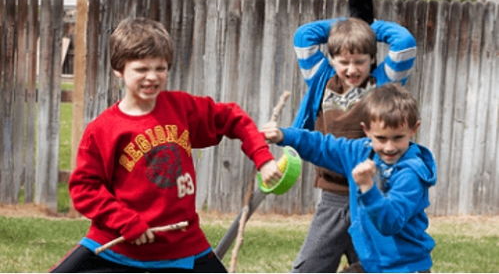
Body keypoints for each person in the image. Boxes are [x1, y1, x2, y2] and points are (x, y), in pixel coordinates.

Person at [50, 17, 281, 273]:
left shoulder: (181, 108)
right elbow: (85, 189)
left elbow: (232, 118)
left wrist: (264, 158)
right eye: (141, 69)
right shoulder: (103, 129)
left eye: (160, 68)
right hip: (117, 246)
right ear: (119, 69)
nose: (152, 77)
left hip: (182, 245)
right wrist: (125, 221)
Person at [263, 83, 437, 273]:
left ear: (414, 129)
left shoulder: (411, 173)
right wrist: (284, 135)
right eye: (381, 138)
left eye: (397, 138)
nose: (389, 147)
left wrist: (368, 188)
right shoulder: (359, 152)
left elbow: (390, 221)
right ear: (367, 130)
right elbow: (322, 146)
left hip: (405, 267)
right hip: (373, 264)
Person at [290, 14, 417, 272]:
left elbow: (404, 42)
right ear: (332, 60)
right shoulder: (321, 79)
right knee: (310, 266)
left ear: (372, 59)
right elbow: (304, 36)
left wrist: (368, 27)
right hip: (333, 196)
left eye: (360, 61)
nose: (352, 69)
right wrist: (344, 25)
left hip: (373, 194)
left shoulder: (382, 84)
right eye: (344, 62)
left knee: (376, 265)